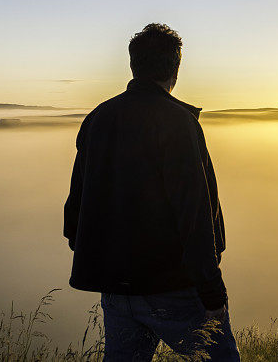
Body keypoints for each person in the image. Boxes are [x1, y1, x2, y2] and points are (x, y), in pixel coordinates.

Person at [64, 23, 239, 361]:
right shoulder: (177, 122)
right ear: (175, 67)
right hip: (171, 285)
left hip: (116, 287)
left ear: (133, 65)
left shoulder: (98, 118)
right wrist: (213, 293)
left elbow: (76, 208)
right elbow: (194, 214)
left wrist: (99, 258)